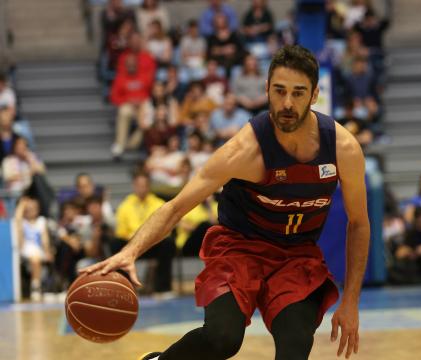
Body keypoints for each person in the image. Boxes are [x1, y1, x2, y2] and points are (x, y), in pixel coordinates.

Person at [82, 45, 370, 360]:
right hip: (240, 249)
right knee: (223, 338)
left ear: (314, 95)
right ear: (267, 90)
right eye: (280, 91)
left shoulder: (343, 149)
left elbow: (358, 224)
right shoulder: (244, 150)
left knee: (295, 344)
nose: (287, 103)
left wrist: (351, 301)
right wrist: (130, 252)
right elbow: (177, 206)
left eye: (298, 93)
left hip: (295, 255)